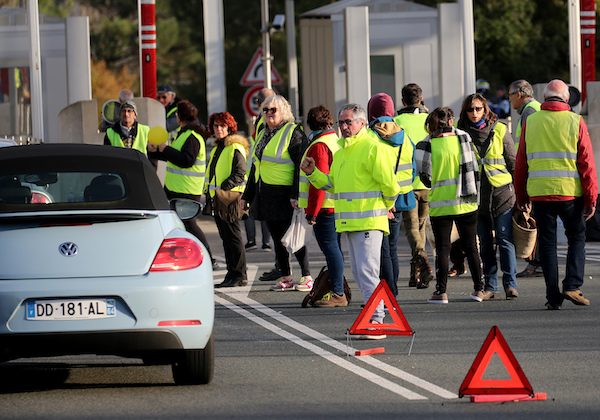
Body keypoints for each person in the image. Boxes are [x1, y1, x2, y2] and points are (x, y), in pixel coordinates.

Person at [301, 103, 401, 338]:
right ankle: (373, 318)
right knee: (359, 272)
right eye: (341, 122)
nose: (344, 127)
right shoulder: (343, 151)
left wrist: (385, 206)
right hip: (352, 223)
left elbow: (390, 185)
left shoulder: (372, 147)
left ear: (362, 123)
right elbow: (332, 185)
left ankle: (377, 321)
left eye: (349, 122)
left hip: (368, 221)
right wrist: (312, 173)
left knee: (367, 272)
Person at [514, 79, 598, 310]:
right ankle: (572, 284)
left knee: (548, 245)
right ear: (566, 99)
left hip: (540, 194)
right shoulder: (575, 121)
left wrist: (521, 197)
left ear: (545, 97)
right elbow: (587, 164)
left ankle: (553, 298)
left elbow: (521, 163)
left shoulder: (531, 122)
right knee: (577, 237)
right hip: (570, 195)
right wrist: (591, 199)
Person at [241, 95, 313, 291]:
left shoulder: (293, 132)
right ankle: (286, 276)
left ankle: (306, 275)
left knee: (293, 236)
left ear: (284, 111)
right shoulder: (263, 133)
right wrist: (247, 196)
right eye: (266, 110)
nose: (269, 114)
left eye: (273, 110)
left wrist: (296, 195)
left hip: (286, 195)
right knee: (277, 238)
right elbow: (256, 167)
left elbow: (301, 165)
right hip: (267, 194)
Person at [415, 107, 485, 304]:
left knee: (443, 249)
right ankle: (479, 290)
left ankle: (441, 292)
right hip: (467, 202)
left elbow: (425, 179)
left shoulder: (425, 145)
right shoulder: (464, 139)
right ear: (451, 122)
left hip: (441, 204)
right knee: (471, 246)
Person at [458, 93, 519, 300]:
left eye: (478, 109)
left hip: (502, 194)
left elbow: (513, 163)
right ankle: (491, 287)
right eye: (470, 109)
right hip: (476, 198)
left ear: (485, 109)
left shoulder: (500, 129)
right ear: (465, 112)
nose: (474, 113)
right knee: (484, 243)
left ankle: (511, 285)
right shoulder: (461, 134)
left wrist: (521, 196)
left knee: (504, 240)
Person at [147, 100, 217, 270]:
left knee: (190, 224)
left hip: (186, 189)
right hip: (176, 188)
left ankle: (209, 258)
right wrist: (154, 151)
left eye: (177, 114)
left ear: (180, 116)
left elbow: (186, 160)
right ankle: (184, 256)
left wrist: (166, 150)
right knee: (177, 224)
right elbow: (174, 158)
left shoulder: (192, 135)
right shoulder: (184, 133)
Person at [367, 93, 415, 297]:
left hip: (381, 199)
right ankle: (392, 291)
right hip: (402, 196)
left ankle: (386, 293)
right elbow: (412, 166)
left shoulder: (371, 135)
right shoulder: (404, 135)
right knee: (392, 247)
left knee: (380, 250)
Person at [299, 105, 347, 305]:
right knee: (335, 248)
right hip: (337, 204)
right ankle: (338, 289)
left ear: (310, 124)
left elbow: (318, 182)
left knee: (331, 249)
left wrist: (312, 212)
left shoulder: (319, 145)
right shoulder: (335, 140)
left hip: (325, 206)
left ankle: (338, 292)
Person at [394, 83, 434, 288]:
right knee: (419, 228)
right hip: (427, 181)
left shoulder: (396, 121)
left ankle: (423, 263)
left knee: (412, 228)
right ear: (421, 99)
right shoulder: (429, 120)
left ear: (402, 101)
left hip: (406, 182)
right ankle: (416, 274)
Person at [206, 112, 249, 288]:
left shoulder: (234, 147)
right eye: (216, 126)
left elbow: (240, 173)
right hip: (219, 199)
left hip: (229, 198)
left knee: (233, 237)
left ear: (230, 127)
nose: (219, 129)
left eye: (222, 126)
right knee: (227, 238)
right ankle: (232, 274)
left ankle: (239, 275)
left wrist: (223, 187)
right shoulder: (219, 148)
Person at [508, 79, 543, 278]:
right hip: (536, 172)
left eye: (510, 95)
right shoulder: (534, 108)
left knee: (534, 219)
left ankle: (536, 264)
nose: (510, 100)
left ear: (519, 94)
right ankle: (537, 263)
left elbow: (526, 146)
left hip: (533, 173)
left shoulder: (530, 111)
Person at [245, 88, 275, 255]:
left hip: (261, 174)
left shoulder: (261, 123)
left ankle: (253, 241)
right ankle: (266, 243)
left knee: (253, 208)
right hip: (272, 176)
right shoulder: (283, 122)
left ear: (257, 103)